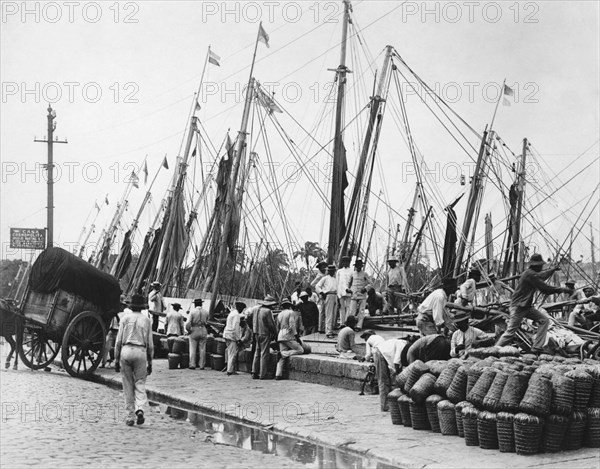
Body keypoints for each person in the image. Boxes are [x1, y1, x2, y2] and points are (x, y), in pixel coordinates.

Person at [496, 253, 572, 354]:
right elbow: (545, 288)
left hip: (525, 307)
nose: (542, 267)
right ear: (536, 266)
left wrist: (552, 270)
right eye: (540, 265)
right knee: (510, 332)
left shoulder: (531, 273)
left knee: (544, 320)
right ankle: (494, 349)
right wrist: (563, 289)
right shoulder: (530, 275)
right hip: (518, 307)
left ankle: (536, 348)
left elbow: (542, 276)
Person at [115, 293, 153, 426]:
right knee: (140, 382)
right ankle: (140, 409)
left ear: (131, 306)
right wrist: (150, 361)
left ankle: (130, 416)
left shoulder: (125, 319)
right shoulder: (147, 320)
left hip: (126, 350)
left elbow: (118, 340)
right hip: (140, 351)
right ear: (142, 307)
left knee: (127, 385)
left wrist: (116, 358)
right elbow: (150, 343)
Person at [372, 337, 409, 411]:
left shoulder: (405, 345)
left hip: (386, 355)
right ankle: (385, 406)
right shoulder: (402, 345)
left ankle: (391, 404)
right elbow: (396, 362)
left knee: (391, 381)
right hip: (380, 353)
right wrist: (399, 376)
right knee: (384, 381)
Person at [275, 298, 304, 380]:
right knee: (300, 350)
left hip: (280, 334)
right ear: (289, 306)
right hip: (288, 335)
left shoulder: (280, 314)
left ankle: (278, 374)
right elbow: (292, 325)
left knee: (282, 356)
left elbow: (277, 326)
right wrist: (296, 336)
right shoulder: (291, 313)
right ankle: (283, 354)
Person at [251, 295, 278, 380]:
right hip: (264, 333)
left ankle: (254, 372)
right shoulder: (268, 311)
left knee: (257, 352)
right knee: (264, 354)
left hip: (256, 332)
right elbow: (271, 325)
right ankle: (263, 374)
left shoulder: (255, 309)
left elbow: (248, 318)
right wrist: (275, 333)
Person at [346, 259, 372, 331]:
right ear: (355, 266)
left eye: (360, 266)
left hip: (362, 295)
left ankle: (359, 326)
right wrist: (348, 289)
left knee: (361, 311)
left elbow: (371, 283)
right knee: (352, 311)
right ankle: (351, 325)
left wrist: (366, 289)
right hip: (354, 295)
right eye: (357, 266)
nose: (358, 267)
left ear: (362, 266)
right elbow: (348, 283)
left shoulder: (365, 274)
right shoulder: (352, 274)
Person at [223, 301, 246, 375]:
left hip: (227, 334)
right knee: (232, 353)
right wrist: (238, 339)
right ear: (240, 308)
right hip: (231, 335)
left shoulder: (232, 313)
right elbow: (235, 328)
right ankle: (230, 370)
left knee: (230, 352)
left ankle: (230, 369)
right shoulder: (236, 315)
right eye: (242, 309)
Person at [316, 265, 338, 338]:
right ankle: (328, 332)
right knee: (329, 314)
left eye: (333, 271)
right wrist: (321, 293)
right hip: (328, 295)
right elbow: (317, 286)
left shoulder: (335, 279)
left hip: (335, 295)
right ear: (328, 271)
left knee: (334, 314)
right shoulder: (325, 278)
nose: (332, 272)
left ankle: (331, 330)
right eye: (330, 271)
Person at [186, 298, 209, 370]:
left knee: (193, 348)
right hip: (203, 329)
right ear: (201, 304)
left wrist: (188, 330)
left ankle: (192, 364)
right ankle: (202, 365)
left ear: (195, 304)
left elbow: (188, 323)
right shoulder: (206, 312)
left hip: (194, 329)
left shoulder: (192, 312)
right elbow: (208, 322)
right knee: (202, 349)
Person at [336, 256, 353, 328]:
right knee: (342, 307)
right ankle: (342, 323)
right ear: (342, 263)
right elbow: (337, 282)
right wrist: (338, 293)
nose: (345, 263)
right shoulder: (339, 271)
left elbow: (352, 281)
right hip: (341, 291)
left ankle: (347, 322)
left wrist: (351, 289)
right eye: (344, 261)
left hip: (349, 291)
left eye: (347, 262)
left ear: (349, 263)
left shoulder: (352, 271)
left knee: (349, 307)